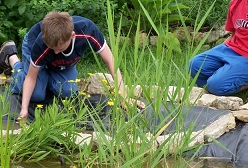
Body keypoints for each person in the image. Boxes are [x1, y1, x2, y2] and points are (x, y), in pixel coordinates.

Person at [0, 11, 145, 120]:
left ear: (72, 36)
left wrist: (123, 96)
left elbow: (111, 61)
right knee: (37, 94)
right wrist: (24, 109)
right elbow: (31, 78)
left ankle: (46, 78)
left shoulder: (88, 31)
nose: (56, 52)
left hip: (62, 65)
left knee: (68, 92)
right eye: (53, 49)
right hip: (33, 49)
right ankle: (12, 59)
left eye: (60, 48)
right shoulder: (41, 45)